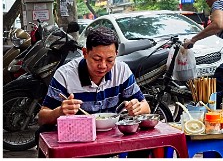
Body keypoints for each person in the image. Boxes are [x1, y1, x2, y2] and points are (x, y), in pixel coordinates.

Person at [37, 26, 151, 157]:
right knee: (42, 131)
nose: (103, 66)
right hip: (77, 138)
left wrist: (137, 108)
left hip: (111, 134)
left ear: (116, 55)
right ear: (85, 53)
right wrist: (59, 112)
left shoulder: (122, 71)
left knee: (144, 139)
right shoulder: (65, 75)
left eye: (110, 60)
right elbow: (42, 118)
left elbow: (146, 107)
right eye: (97, 59)